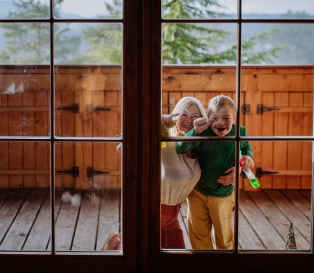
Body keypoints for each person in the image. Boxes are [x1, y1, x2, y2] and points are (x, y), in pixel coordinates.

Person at [101, 96, 236, 250]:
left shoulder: (201, 149)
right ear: (174, 117)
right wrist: (156, 121)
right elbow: (123, 148)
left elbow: (227, 156)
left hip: (173, 221)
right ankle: (117, 245)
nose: (189, 120)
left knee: (176, 268)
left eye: (195, 116)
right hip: (150, 217)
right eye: (184, 115)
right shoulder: (164, 143)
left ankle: (119, 244)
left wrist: (237, 171)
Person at [175, 95, 254, 250]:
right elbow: (180, 148)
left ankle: (223, 265)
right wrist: (196, 131)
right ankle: (205, 264)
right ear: (209, 118)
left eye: (226, 118)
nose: (221, 123)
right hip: (198, 191)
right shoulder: (202, 132)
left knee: (224, 236)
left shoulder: (240, 131)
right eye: (215, 118)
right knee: (199, 234)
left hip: (223, 193)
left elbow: (245, 147)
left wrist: (247, 157)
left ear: (234, 118)